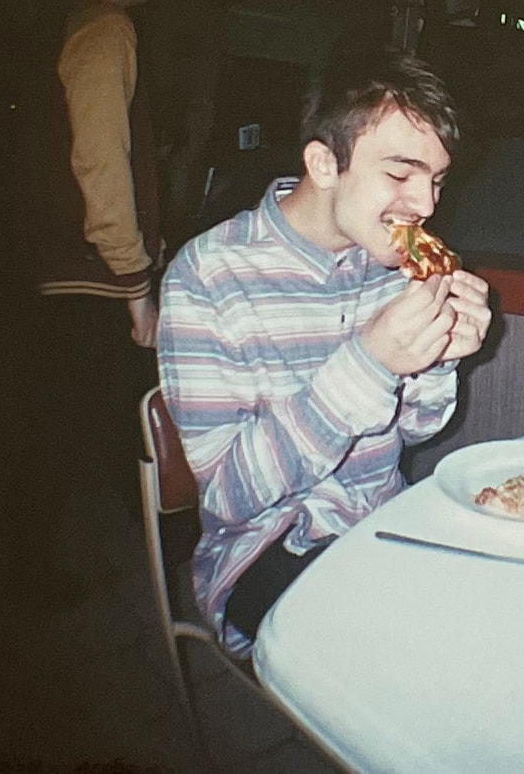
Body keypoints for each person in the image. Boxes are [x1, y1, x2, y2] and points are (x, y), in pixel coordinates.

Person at [156, 54, 492, 657]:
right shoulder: (208, 276)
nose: (427, 205)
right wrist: (368, 365)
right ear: (322, 163)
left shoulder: (393, 262)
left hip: (380, 523)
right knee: (428, 654)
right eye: (402, 174)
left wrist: (440, 357)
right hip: (261, 550)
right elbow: (229, 498)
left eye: (437, 180)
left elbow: (415, 429)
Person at [11, 0, 164, 604]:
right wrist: (134, 279)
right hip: (93, 270)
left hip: (60, 263)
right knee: (100, 411)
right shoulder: (106, 31)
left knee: (89, 412)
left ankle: (141, 530)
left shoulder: (69, 24)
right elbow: (101, 158)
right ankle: (32, 570)